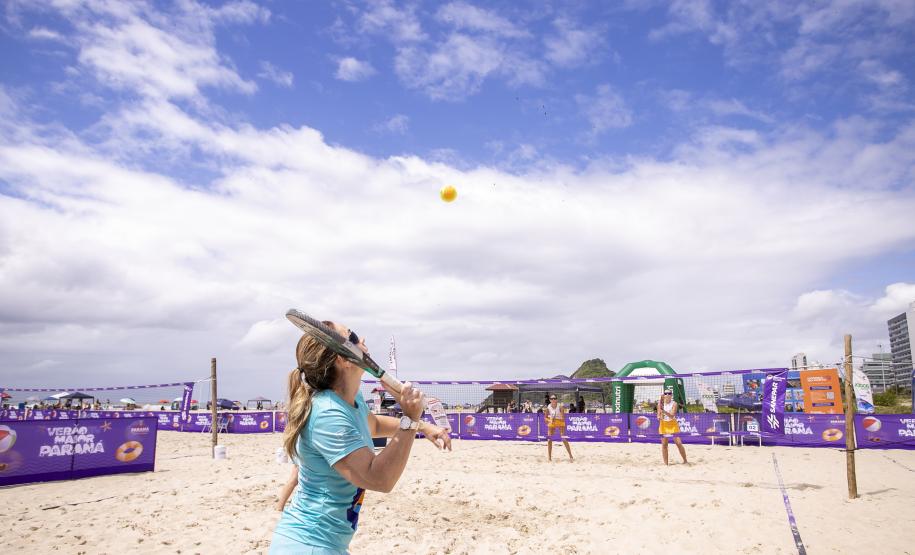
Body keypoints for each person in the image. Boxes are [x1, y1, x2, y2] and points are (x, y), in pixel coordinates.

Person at [270, 321, 452, 554]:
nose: (363, 340)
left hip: (327, 543)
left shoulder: (350, 400)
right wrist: (409, 419)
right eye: (353, 337)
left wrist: (423, 425)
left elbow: (373, 425)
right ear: (343, 359)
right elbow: (380, 479)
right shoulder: (327, 414)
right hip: (308, 544)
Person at [657, 389, 688, 466]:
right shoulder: (660, 404)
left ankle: (685, 460)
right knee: (664, 445)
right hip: (663, 424)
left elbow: (672, 415)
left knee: (678, 443)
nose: (667, 395)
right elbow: (658, 414)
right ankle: (666, 464)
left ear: (671, 395)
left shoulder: (674, 404)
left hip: (672, 424)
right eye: (666, 393)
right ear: (664, 395)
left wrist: (663, 411)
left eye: (669, 393)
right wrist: (659, 416)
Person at [544, 394, 573, 462]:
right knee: (549, 440)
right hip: (552, 421)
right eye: (552, 398)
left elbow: (563, 418)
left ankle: (570, 455)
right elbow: (545, 418)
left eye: (554, 398)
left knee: (563, 438)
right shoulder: (548, 407)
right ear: (550, 400)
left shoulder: (560, 406)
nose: (553, 400)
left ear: (556, 399)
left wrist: (555, 418)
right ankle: (549, 458)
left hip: (560, 421)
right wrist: (550, 420)